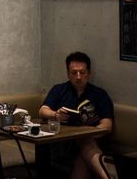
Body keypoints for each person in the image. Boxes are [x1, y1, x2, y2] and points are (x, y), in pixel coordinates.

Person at [39, 51, 113, 179]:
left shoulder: (99, 94)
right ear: (68, 74)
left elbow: (107, 125)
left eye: (82, 72)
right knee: (84, 151)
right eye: (74, 73)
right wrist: (56, 114)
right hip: (63, 143)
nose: (78, 77)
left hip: (92, 141)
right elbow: (42, 111)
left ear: (89, 73)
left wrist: (88, 132)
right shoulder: (59, 89)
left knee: (85, 144)